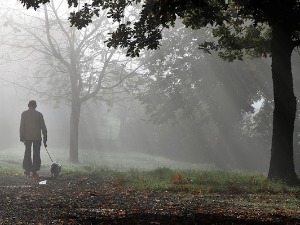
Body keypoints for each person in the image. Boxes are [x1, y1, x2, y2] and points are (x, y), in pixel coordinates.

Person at [20, 100, 47, 178]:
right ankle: (34, 170)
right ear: (35, 106)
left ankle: (27, 169)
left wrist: (22, 136)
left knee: (27, 153)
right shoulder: (39, 115)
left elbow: (22, 126)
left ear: (28, 105)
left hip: (27, 137)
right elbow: (43, 128)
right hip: (37, 137)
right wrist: (45, 139)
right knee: (36, 154)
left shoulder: (24, 114)